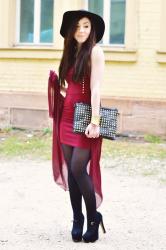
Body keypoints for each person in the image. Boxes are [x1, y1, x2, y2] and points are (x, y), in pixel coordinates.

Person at [48, 9, 106, 243]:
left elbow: (95, 89)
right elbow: (71, 89)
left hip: (85, 117)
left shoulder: (95, 51)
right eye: (78, 26)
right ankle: (77, 219)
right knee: (72, 172)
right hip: (66, 117)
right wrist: (55, 84)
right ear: (70, 30)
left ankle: (93, 218)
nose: (82, 30)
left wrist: (95, 121)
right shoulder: (71, 52)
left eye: (86, 26)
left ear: (92, 31)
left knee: (78, 168)